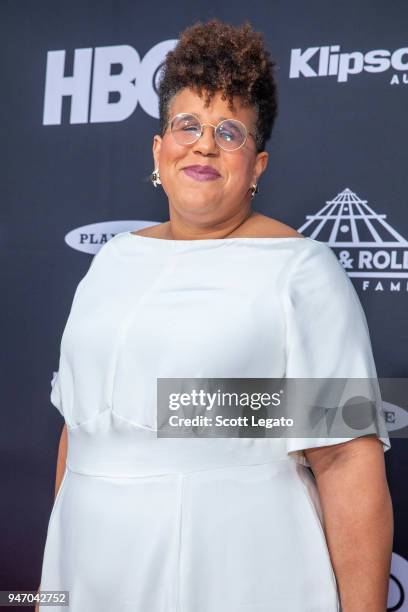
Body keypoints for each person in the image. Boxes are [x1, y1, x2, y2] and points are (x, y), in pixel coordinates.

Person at [38, 18, 393, 612]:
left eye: (230, 131)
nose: (204, 143)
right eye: (187, 125)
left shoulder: (298, 271)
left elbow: (344, 460)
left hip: (234, 571)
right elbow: (79, 432)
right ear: (159, 150)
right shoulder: (112, 263)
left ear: (256, 166)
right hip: (90, 569)